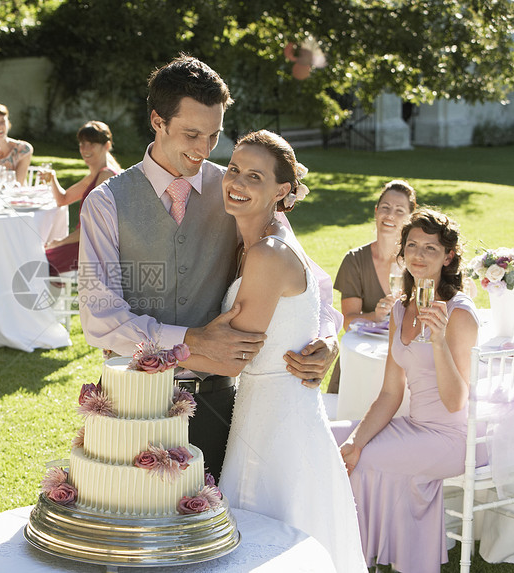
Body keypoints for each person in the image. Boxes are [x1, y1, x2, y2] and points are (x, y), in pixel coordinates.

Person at [77, 55, 341, 480]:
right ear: (157, 120)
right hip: (136, 399)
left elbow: (308, 277)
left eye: (214, 135)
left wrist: (328, 337)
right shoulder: (106, 203)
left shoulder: (238, 188)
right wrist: (192, 339)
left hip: (222, 405)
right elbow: (99, 318)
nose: (204, 149)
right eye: (192, 134)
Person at [196, 130, 366, 572]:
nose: (237, 182)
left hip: (277, 421)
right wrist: (327, 333)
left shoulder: (269, 252)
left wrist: (151, 356)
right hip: (264, 408)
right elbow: (318, 293)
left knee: (269, 539)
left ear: (282, 191)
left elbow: (234, 354)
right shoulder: (259, 236)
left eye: (255, 176)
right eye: (234, 169)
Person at [332, 208, 478, 573]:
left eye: (430, 248)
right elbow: (389, 394)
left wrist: (440, 341)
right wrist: (356, 440)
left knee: (365, 460)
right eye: (412, 245)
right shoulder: (400, 309)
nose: (418, 254)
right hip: (412, 425)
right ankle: (333, 547)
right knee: (331, 439)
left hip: (450, 438)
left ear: (449, 256)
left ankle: (354, 560)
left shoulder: (459, 313)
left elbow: (456, 401)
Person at [328, 179, 417, 393]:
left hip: (406, 359)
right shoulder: (355, 261)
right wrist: (375, 317)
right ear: (376, 211)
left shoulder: (417, 261)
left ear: (410, 218)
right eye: (385, 208)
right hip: (362, 358)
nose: (390, 215)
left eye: (399, 211)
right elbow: (348, 322)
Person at [44, 121, 121, 276]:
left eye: (91, 144)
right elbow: (63, 199)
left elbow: (93, 225)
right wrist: (52, 178)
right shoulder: (96, 175)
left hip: (92, 250)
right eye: (82, 144)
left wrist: (60, 242)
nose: (85, 149)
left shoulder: (106, 176)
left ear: (106, 146)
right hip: (85, 243)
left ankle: (47, 299)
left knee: (38, 261)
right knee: (35, 257)